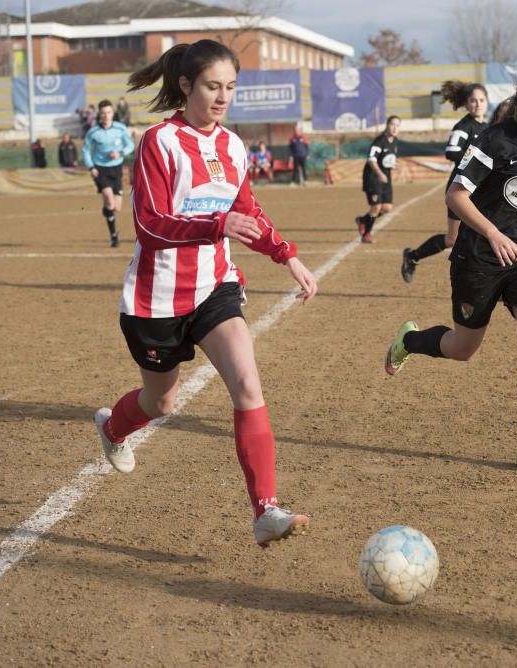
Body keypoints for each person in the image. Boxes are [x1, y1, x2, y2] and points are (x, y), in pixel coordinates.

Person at [96, 39, 319, 548]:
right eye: (213, 87)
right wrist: (217, 222)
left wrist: (288, 256)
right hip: (155, 300)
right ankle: (113, 429)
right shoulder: (159, 141)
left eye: (231, 88)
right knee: (161, 402)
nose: (223, 98)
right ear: (185, 86)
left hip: (215, 287)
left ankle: (265, 511)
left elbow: (249, 213)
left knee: (247, 385)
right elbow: (149, 225)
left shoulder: (234, 146)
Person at [384, 66, 517, 467]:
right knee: (463, 349)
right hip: (478, 257)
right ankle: (409, 341)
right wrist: (492, 233)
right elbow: (455, 195)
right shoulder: (493, 139)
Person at [400, 81, 488, 284]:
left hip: (480, 190)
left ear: (487, 102)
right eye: (473, 100)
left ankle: (486, 281)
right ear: (467, 104)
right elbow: (451, 150)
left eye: (481, 100)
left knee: (482, 235)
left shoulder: (488, 127)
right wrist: (472, 162)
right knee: (452, 239)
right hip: (460, 189)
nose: (477, 104)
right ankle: (412, 256)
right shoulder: (464, 126)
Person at [83, 99, 134, 247]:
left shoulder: (120, 128)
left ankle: (107, 210)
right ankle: (113, 237)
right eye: (103, 113)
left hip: (117, 169)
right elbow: (86, 151)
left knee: (116, 207)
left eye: (109, 112)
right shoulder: (93, 132)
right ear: (99, 114)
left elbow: (130, 145)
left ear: (113, 113)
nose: (106, 116)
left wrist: (120, 153)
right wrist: (91, 167)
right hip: (100, 169)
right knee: (110, 201)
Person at [354, 115, 400, 244]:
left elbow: (389, 158)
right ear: (387, 125)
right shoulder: (379, 141)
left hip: (385, 176)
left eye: (397, 125)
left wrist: (394, 166)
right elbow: (371, 160)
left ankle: (363, 220)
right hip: (373, 177)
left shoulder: (395, 141)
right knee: (376, 207)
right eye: (392, 124)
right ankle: (366, 234)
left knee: (387, 208)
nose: (395, 128)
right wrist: (380, 174)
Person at [288, 122, 309, 186]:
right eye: (295, 130)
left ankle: (305, 181)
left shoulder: (304, 137)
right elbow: (290, 148)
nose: (296, 131)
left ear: (299, 130)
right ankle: (294, 182)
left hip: (303, 155)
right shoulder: (292, 138)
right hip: (295, 156)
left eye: (297, 129)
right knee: (295, 169)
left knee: (304, 169)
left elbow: (307, 146)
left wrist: (307, 154)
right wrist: (291, 155)